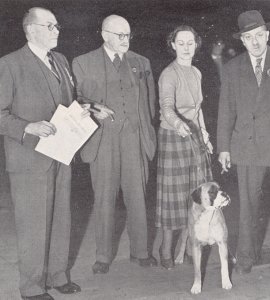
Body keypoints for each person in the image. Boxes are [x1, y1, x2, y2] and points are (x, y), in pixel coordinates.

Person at [0, 7, 82, 300]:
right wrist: (28, 127)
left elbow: (68, 99)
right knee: (33, 224)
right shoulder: (9, 64)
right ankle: (32, 288)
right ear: (30, 30)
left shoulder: (60, 60)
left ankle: (57, 276)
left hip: (61, 153)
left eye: (57, 25)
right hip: (29, 159)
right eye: (50, 26)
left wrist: (86, 109)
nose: (57, 30)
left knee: (61, 218)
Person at [72, 14, 157, 274]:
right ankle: (103, 256)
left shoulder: (141, 63)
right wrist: (95, 107)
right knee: (104, 199)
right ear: (104, 34)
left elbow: (150, 102)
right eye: (120, 35)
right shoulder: (83, 62)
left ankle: (141, 252)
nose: (125, 40)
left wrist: (143, 132)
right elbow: (75, 99)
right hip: (103, 139)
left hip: (134, 138)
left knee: (137, 197)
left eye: (128, 35)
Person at [217, 10, 270, 274]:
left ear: (267, 35)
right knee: (247, 205)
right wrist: (224, 147)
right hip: (248, 145)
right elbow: (226, 111)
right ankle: (246, 258)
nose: (255, 42)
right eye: (249, 37)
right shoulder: (232, 69)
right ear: (242, 41)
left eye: (259, 35)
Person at [155, 25, 213, 270]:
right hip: (172, 136)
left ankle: (191, 245)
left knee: (197, 194)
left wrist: (206, 135)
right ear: (173, 45)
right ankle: (166, 248)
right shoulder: (169, 74)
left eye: (191, 42)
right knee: (174, 198)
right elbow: (167, 106)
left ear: (196, 44)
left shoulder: (197, 73)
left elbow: (197, 111)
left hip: (194, 136)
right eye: (181, 43)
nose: (186, 47)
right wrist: (178, 124)